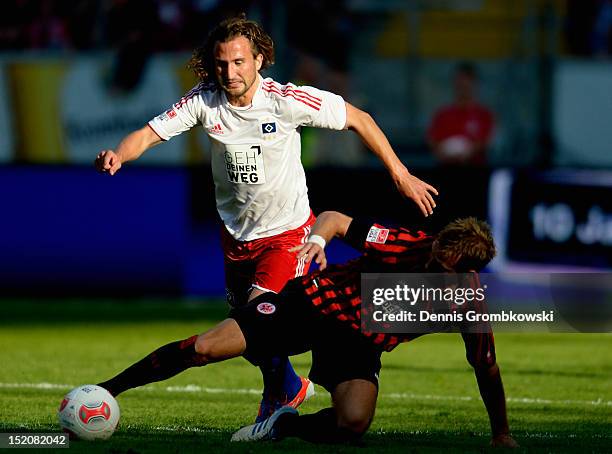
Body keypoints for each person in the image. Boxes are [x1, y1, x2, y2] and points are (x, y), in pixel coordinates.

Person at [94, 15, 438, 421]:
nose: (229, 72)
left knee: (254, 323)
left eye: (239, 62)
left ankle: (282, 396)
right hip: (236, 238)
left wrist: (400, 174)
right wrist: (119, 152)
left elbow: (359, 118)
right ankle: (286, 388)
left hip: (287, 235)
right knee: (252, 340)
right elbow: (149, 135)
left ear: (259, 59)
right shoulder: (205, 100)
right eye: (222, 63)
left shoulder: (287, 100)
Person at [96, 211, 518, 448]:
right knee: (205, 347)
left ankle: (284, 424)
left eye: (440, 270)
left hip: (358, 340)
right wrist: (317, 241)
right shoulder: (408, 243)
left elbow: (487, 368)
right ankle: (107, 391)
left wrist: (501, 434)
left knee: (352, 424)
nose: (429, 267)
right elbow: (333, 219)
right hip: (314, 302)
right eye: (433, 258)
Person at [427, 62, 495, 166]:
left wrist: (469, 152)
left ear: (474, 84)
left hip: (476, 170)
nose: (463, 88)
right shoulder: (443, 114)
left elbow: (486, 141)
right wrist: (443, 153)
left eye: (466, 83)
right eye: (460, 84)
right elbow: (432, 140)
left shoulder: (483, 115)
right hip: (446, 170)